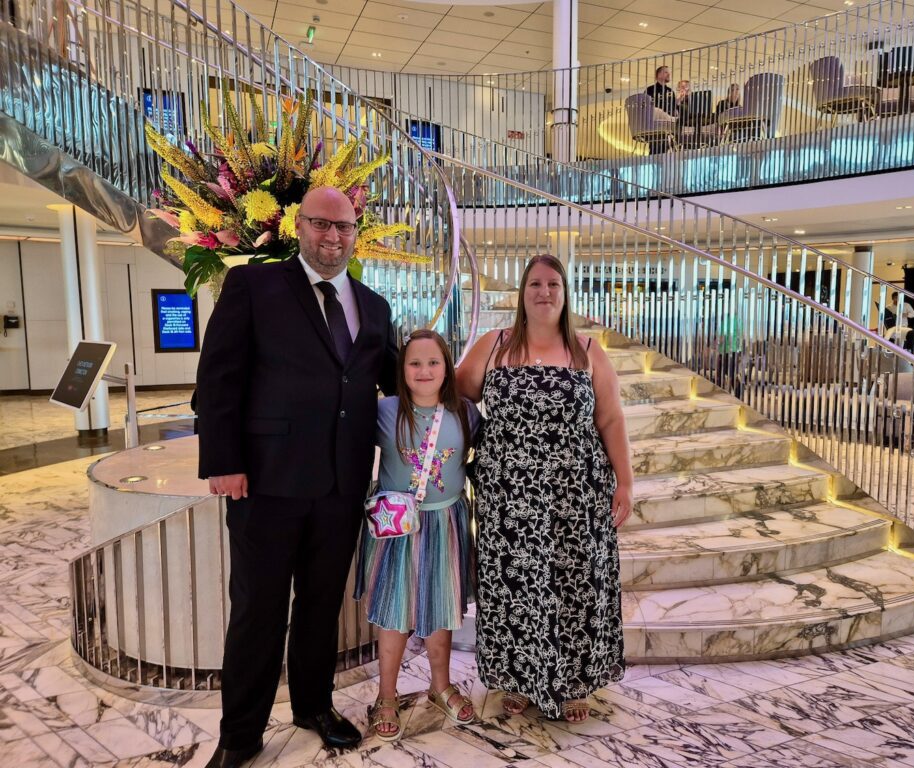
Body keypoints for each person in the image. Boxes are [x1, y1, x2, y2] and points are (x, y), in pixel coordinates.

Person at [196, 186, 398, 768]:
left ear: (357, 233)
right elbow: (218, 379)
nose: (332, 237)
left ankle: (313, 705)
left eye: (344, 227)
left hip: (341, 485)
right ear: (298, 225)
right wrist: (224, 460)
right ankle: (240, 735)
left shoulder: (374, 306)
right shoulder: (253, 286)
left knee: (320, 605)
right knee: (258, 609)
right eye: (320, 224)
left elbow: (400, 384)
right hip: (265, 483)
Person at [456, 254, 632, 724]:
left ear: (565, 292)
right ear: (522, 293)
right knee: (513, 585)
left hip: (577, 494)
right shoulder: (493, 345)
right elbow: (454, 394)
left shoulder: (587, 350)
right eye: (535, 283)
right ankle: (518, 678)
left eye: (553, 284)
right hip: (509, 497)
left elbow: (610, 418)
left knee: (574, 583)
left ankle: (574, 681)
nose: (544, 292)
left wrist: (625, 482)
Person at [354, 329, 480, 741]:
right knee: (394, 611)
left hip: (446, 524)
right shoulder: (384, 411)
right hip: (397, 528)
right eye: (414, 363)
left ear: (447, 368)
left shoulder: (466, 413)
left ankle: (440, 685)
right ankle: (385, 695)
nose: (424, 370)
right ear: (401, 369)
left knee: (442, 609)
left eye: (433, 362)